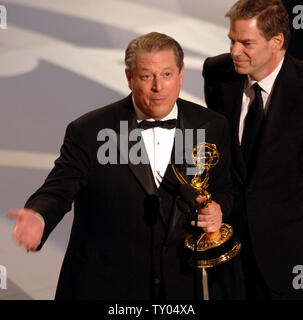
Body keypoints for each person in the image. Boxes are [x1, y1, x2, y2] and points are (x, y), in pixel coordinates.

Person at [8, 32, 235, 300]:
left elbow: (225, 189)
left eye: (167, 74)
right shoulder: (90, 130)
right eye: (147, 76)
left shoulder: (211, 125)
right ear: (129, 78)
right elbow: (59, 188)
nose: (158, 87)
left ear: (181, 74)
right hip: (103, 286)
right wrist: (39, 215)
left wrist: (217, 211)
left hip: (178, 287)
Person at [203, 0, 303, 299]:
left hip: (290, 256)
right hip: (229, 257)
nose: (235, 51)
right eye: (232, 40)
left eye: (246, 43)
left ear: (277, 42)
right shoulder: (218, 73)